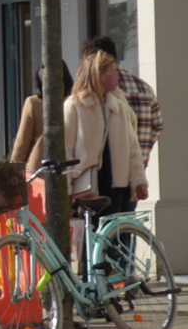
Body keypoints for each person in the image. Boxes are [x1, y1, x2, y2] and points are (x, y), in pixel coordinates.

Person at [63, 46, 146, 217]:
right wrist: (66, 190)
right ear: (100, 75)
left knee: (116, 239)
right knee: (90, 239)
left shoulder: (118, 107)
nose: (117, 77)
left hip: (117, 187)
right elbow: (66, 152)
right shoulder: (74, 106)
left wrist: (139, 181)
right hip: (87, 189)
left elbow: (132, 149)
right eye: (113, 72)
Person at [90, 35, 160, 179]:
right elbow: (157, 126)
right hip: (137, 172)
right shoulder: (144, 88)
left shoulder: (102, 91)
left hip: (108, 174)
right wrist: (143, 152)